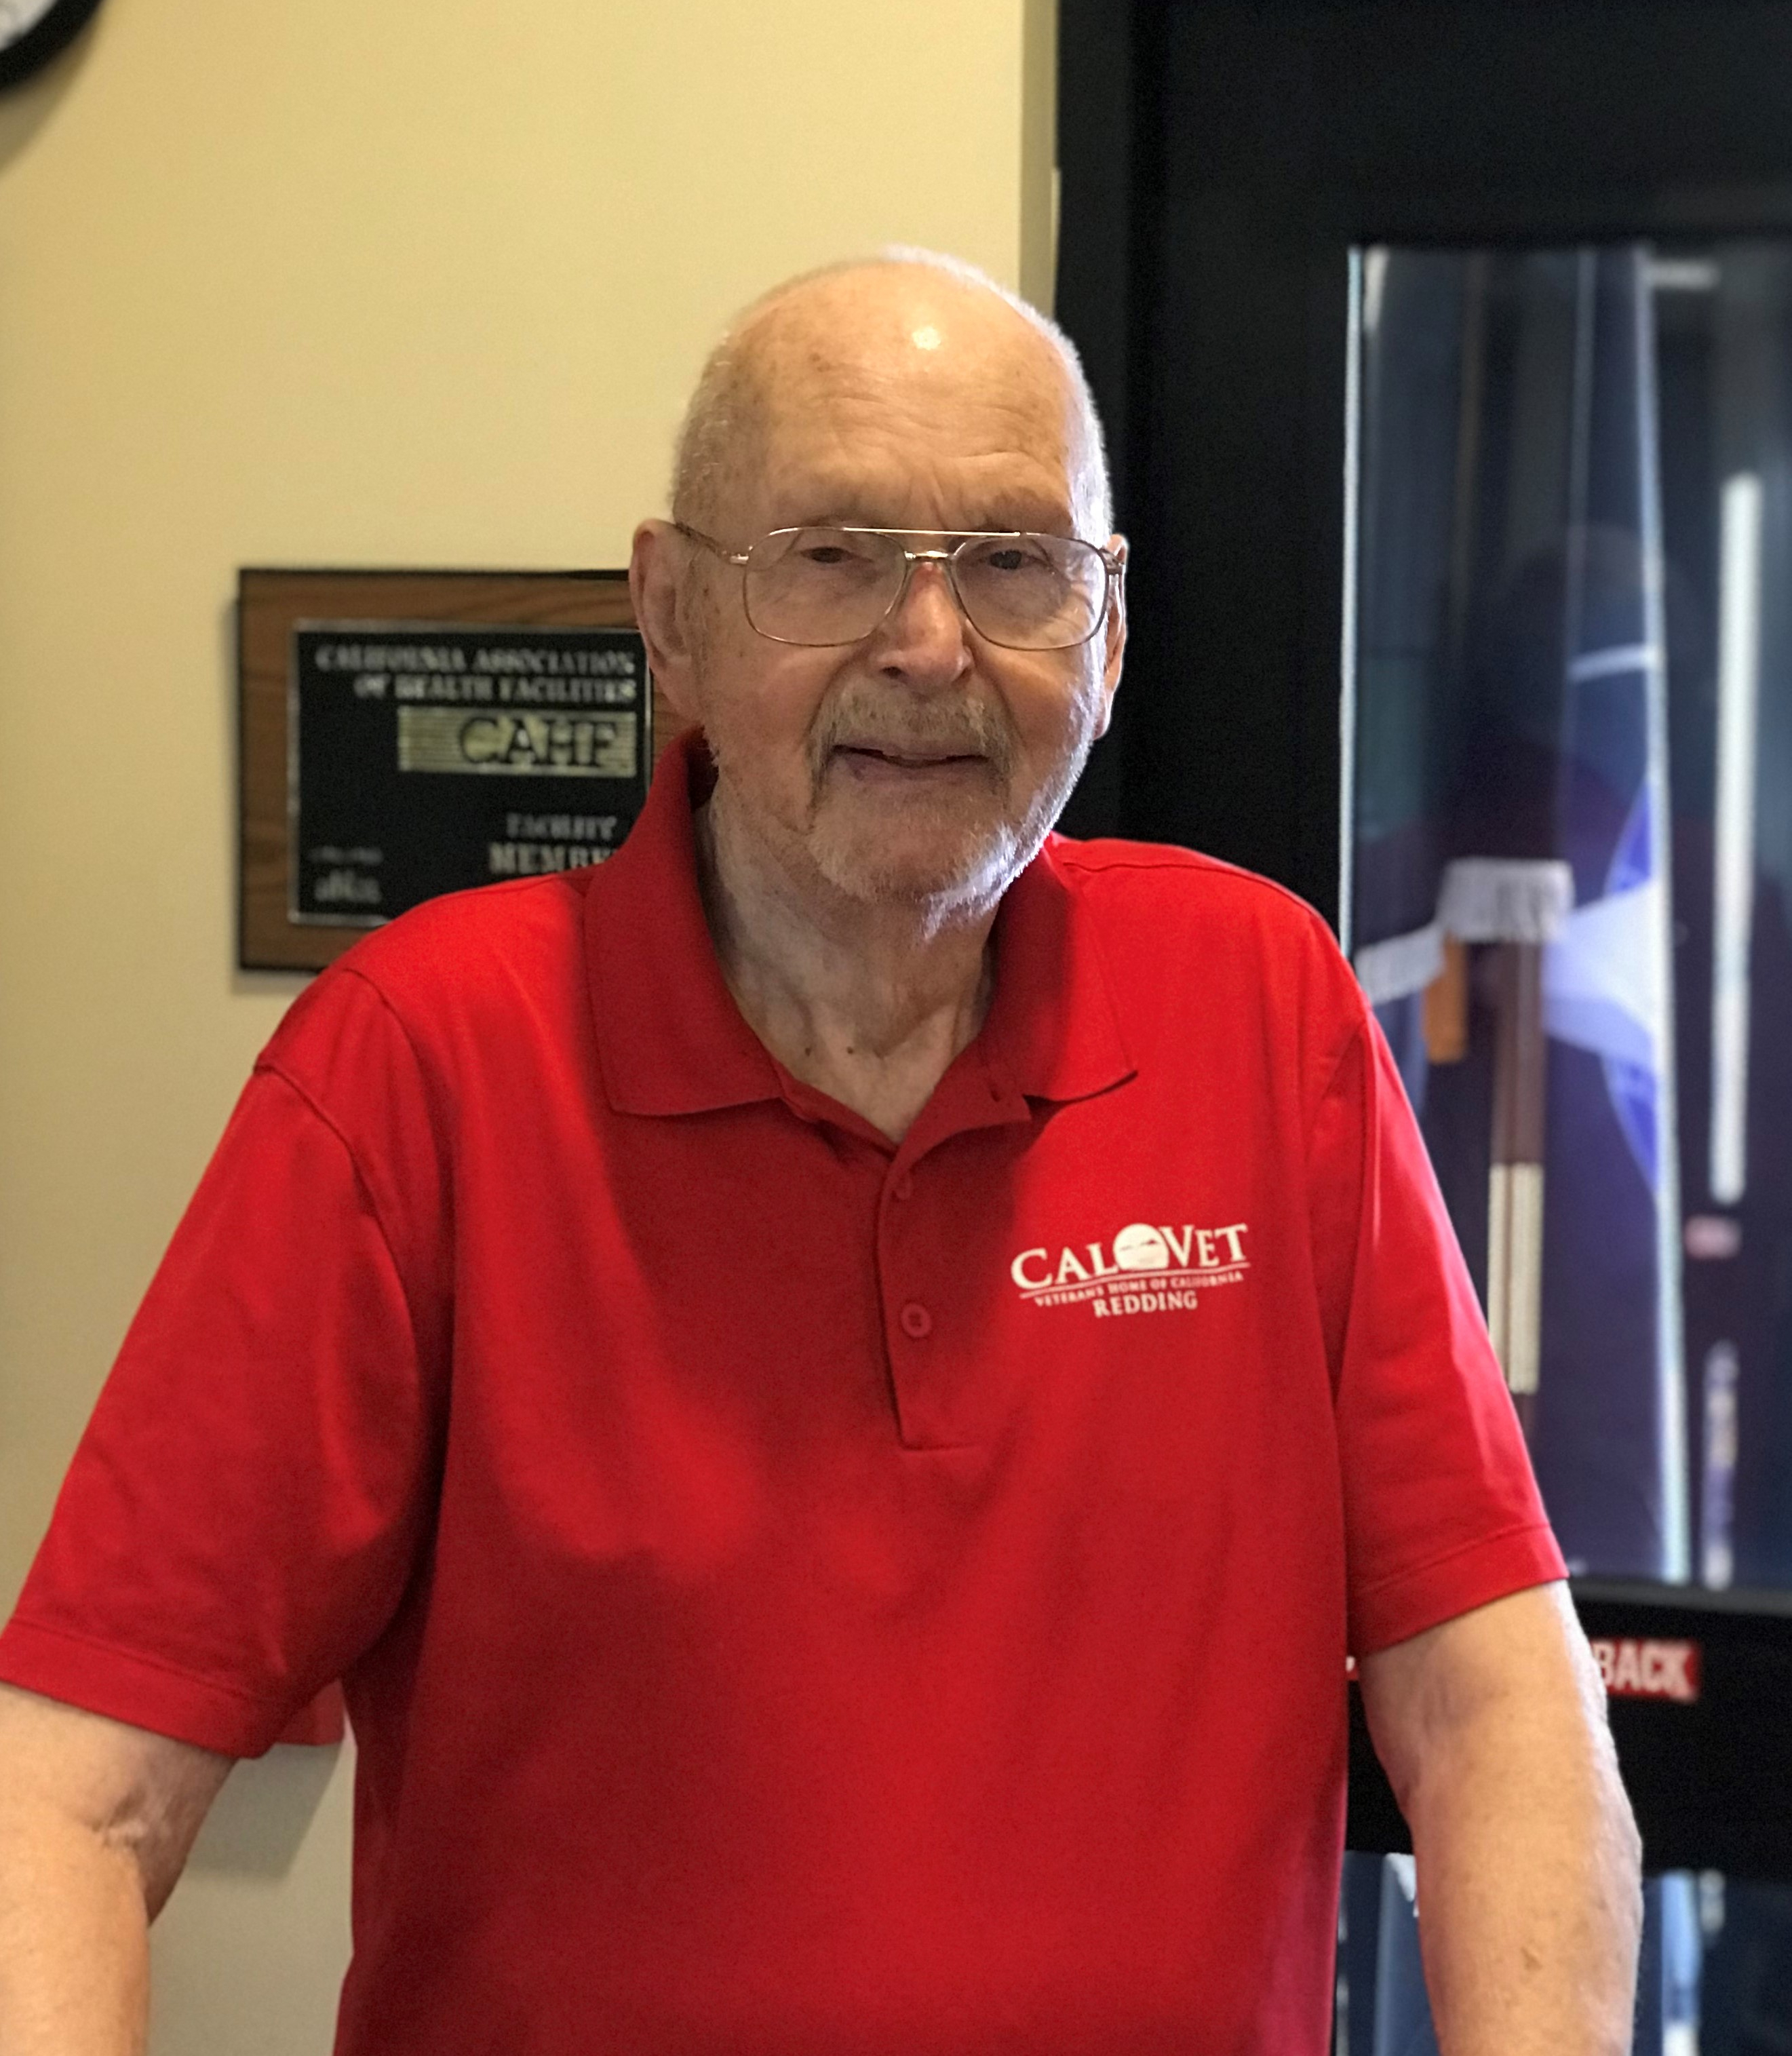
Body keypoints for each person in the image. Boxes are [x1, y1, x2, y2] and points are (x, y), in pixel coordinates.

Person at [0, 250, 1638, 2056]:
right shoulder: (420, 1067)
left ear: (1104, 632)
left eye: (1011, 562)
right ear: (671, 613)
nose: (928, 644)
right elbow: (66, 1797)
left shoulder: (1259, 1008)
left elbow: (1492, 1707)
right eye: (834, 554)